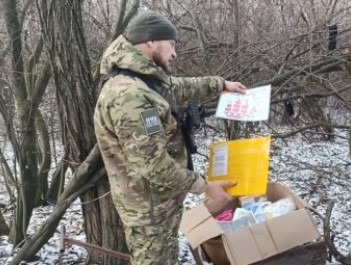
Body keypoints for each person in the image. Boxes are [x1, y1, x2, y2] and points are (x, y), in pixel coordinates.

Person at [93, 11, 247, 265]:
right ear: (151, 41)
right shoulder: (130, 96)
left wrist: (221, 84)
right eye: (172, 44)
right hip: (148, 211)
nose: (175, 53)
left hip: (158, 204)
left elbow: (179, 87)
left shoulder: (143, 80)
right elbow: (154, 167)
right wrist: (204, 186)